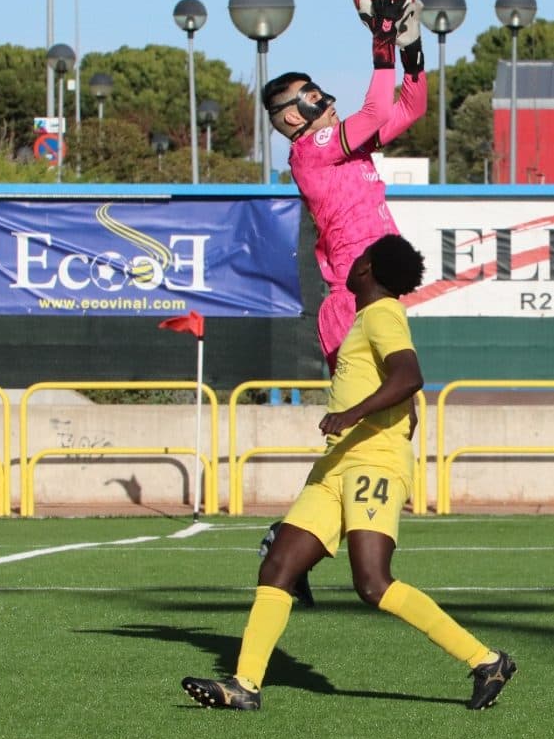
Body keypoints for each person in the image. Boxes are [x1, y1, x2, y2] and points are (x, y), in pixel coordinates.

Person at [181, 235, 516, 712]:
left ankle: (487, 661)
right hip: (337, 464)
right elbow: (400, 392)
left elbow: (409, 376)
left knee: (373, 583)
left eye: (359, 258)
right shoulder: (366, 320)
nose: (351, 262)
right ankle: (244, 685)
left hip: (371, 463)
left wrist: (353, 413)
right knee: (278, 565)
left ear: (369, 270)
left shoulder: (383, 314)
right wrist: (390, 415)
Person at [261, 0, 427, 609]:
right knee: (376, 422)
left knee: (385, 423)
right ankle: (300, 545)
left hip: (374, 298)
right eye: (302, 98)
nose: (313, 100)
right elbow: (375, 110)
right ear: (292, 119)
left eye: (311, 91)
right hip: (350, 303)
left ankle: (290, 544)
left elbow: (405, 110)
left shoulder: (335, 148)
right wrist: (382, 43)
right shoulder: (314, 151)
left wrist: (408, 52)